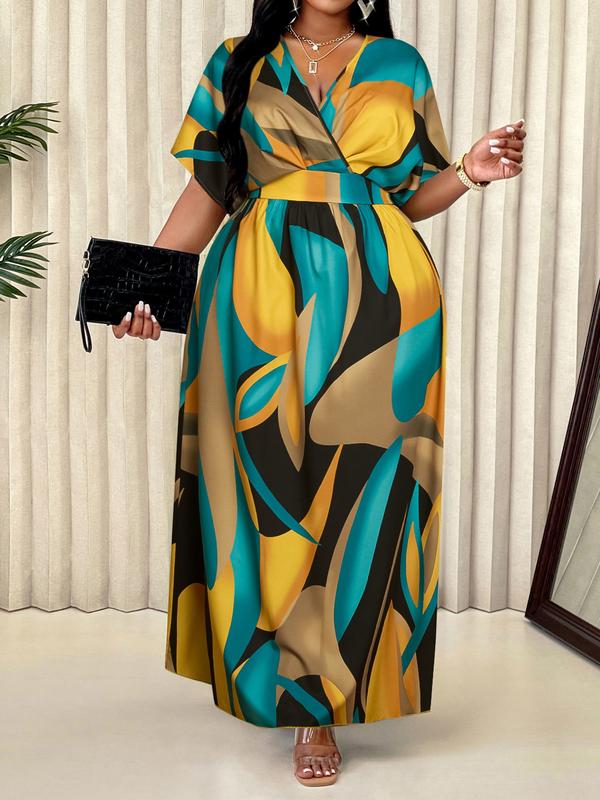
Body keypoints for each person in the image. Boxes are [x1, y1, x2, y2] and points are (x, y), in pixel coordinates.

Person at [112, 0, 525, 787]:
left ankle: (318, 706)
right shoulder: (239, 59)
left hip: (382, 302)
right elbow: (209, 189)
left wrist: (467, 173)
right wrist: (144, 289)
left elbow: (407, 196)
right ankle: (267, 670)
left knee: (357, 494)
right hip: (256, 299)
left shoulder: (398, 64)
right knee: (264, 489)